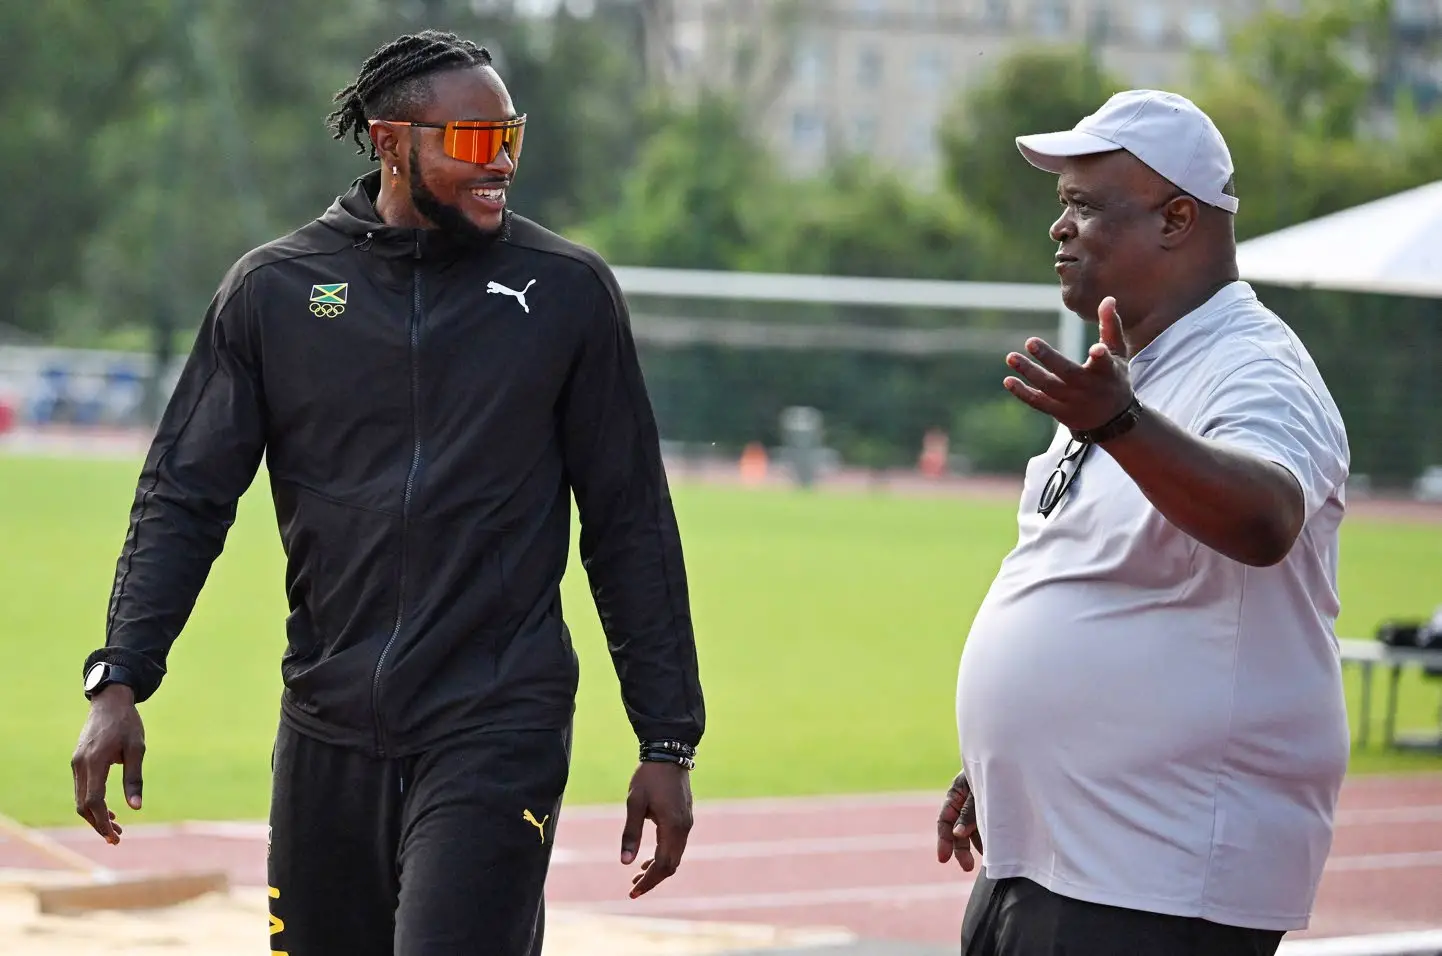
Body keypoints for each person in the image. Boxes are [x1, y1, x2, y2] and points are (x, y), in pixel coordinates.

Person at [68, 29, 705, 956]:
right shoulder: (275, 291)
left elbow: (629, 524)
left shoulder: (568, 293)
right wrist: (120, 675)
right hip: (326, 729)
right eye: (476, 144)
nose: (503, 168)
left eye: (512, 139)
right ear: (390, 142)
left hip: (496, 725)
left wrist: (667, 737)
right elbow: (184, 496)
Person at [936, 89, 1351, 955]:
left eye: (1085, 207)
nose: (1060, 230)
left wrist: (1120, 424)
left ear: (1176, 218)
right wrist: (1012, 764)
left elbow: (1266, 516)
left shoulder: (1253, 366)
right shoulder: (1127, 371)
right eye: (1062, 208)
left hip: (1159, 871)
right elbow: (1090, 577)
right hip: (1057, 852)